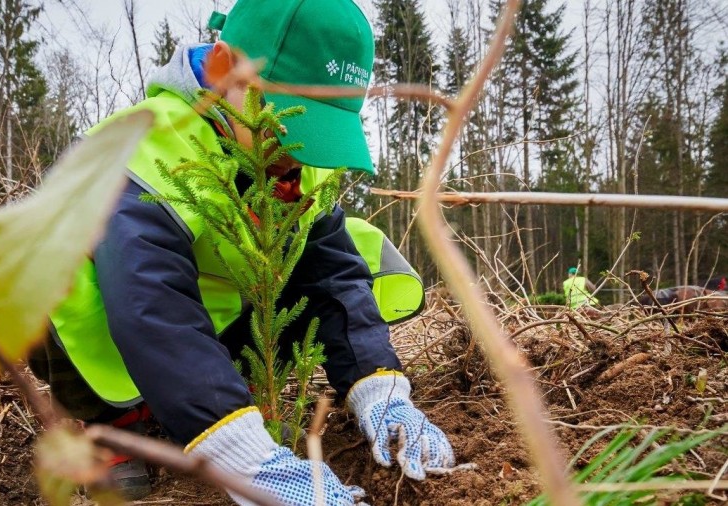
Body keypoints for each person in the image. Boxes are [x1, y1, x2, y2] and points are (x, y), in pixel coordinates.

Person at [28, 1, 455, 504]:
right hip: (114, 320)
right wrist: (250, 464)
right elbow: (151, 308)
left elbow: (334, 278)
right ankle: (117, 422)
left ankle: (222, 395)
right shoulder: (144, 150)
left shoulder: (298, 165)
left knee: (358, 248)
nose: (297, 154)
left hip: (211, 322)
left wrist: (379, 390)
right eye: (285, 124)